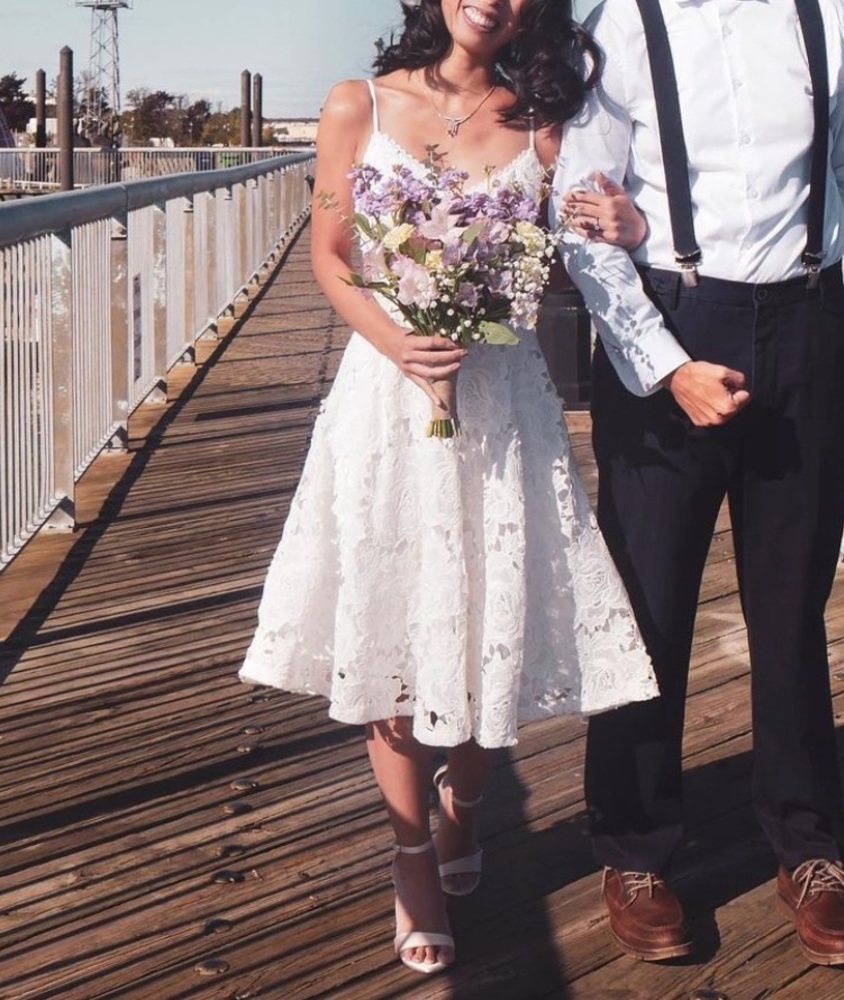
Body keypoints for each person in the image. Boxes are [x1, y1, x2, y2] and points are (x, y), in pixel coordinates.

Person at [238, 0, 661, 977]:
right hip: (387, 406)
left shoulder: (540, 123)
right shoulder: (357, 105)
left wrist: (620, 228)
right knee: (394, 622)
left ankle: (465, 798)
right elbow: (331, 260)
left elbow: (564, 260)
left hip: (502, 402)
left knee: (487, 626)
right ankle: (410, 854)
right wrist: (398, 340)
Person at [552, 0, 844, 968]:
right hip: (671, 324)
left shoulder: (828, 21)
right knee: (648, 602)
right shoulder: (617, 22)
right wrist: (665, 360)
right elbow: (580, 214)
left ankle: (810, 848)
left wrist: (800, 274)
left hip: (807, 326)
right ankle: (634, 848)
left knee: (792, 605)